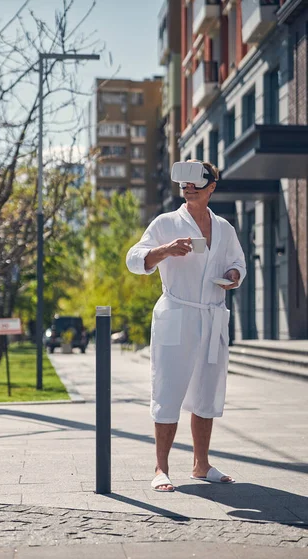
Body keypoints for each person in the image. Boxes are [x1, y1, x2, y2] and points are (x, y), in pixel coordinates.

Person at [126, 160, 246, 492]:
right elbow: (133, 258)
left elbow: (237, 262)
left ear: (211, 187)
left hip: (212, 316)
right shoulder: (165, 223)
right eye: (185, 182)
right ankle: (160, 468)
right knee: (168, 391)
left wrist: (235, 276)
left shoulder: (224, 227)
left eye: (197, 181)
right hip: (176, 314)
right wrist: (163, 251)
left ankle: (201, 465)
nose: (189, 186)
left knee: (207, 392)